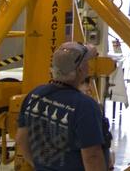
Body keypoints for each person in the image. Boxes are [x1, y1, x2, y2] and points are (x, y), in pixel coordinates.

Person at [16, 41, 110, 171]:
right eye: (87, 63)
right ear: (80, 70)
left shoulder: (34, 95)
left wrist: (38, 166)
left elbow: (21, 140)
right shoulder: (85, 106)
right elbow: (92, 157)